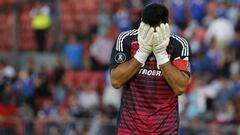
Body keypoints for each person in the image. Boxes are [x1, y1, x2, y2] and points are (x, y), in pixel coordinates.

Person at [110, 3, 191, 134]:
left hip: (166, 128)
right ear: (141, 23)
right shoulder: (126, 40)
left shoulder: (179, 44)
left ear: (167, 25)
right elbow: (116, 81)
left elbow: (180, 87)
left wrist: (161, 55)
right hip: (130, 128)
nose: (153, 33)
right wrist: (142, 53)